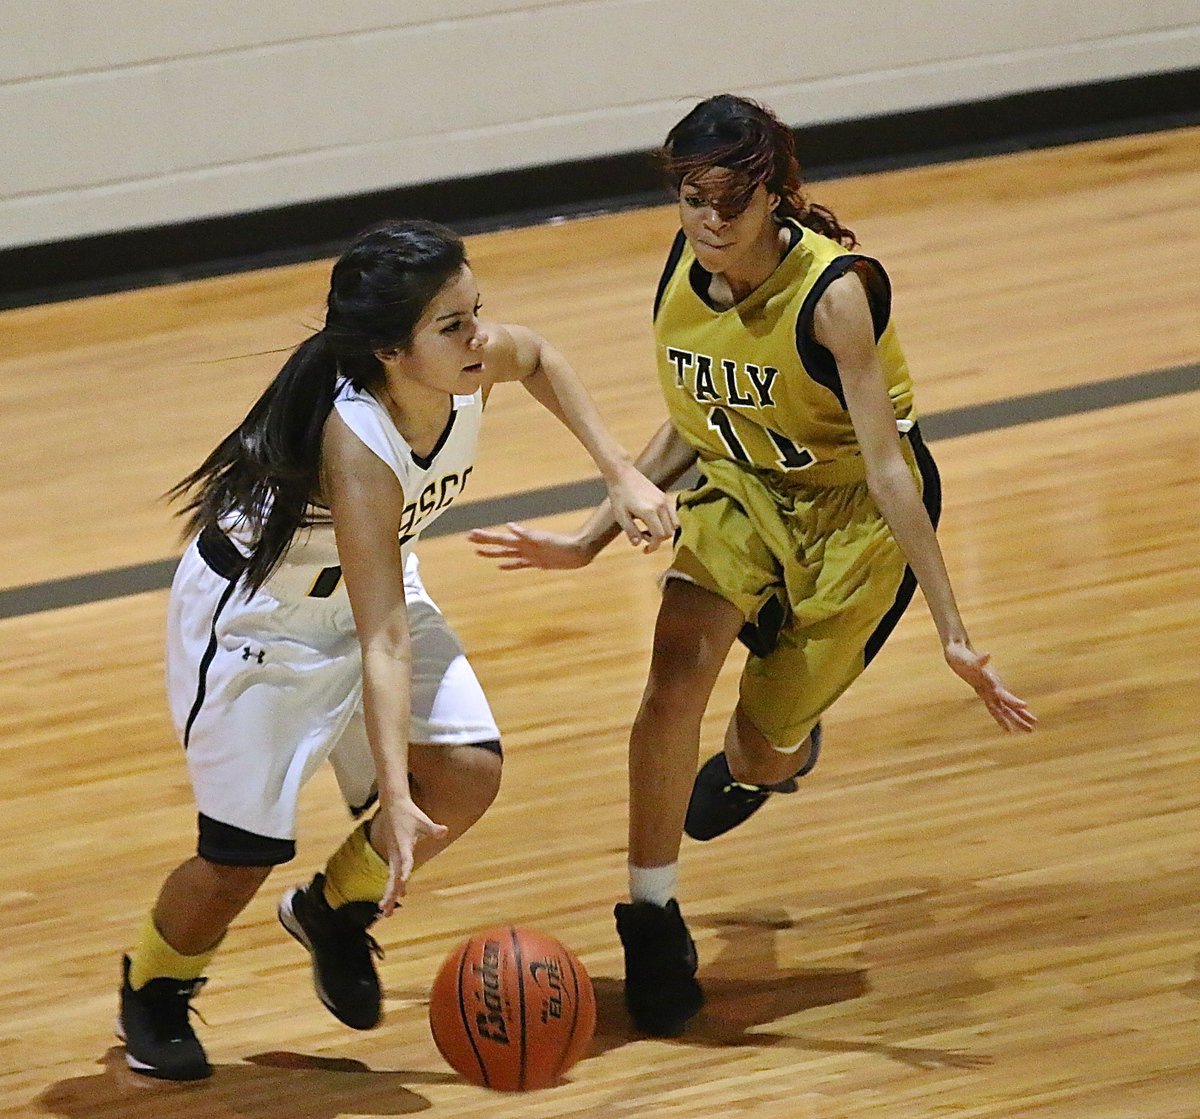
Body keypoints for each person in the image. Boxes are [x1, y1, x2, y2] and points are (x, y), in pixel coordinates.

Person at [469, 94, 1038, 1038]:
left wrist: (955, 633)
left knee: (759, 748)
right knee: (671, 682)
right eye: (693, 197)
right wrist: (587, 537)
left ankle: (772, 761)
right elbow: (697, 423)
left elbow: (890, 468)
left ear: (773, 193)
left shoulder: (836, 295)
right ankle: (652, 920)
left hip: (853, 520)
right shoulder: (684, 267)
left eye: (731, 199)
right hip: (741, 489)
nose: (710, 219)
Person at [116, 218, 677, 1080]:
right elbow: (380, 638)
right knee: (238, 858)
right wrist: (393, 794)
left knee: (467, 771)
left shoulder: (471, 364)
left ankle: (333, 908)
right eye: (453, 325)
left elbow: (541, 356)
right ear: (389, 351)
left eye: (476, 309)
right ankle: (155, 985)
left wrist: (619, 470)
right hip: (260, 623)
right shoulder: (357, 442)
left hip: (370, 585)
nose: (479, 335)